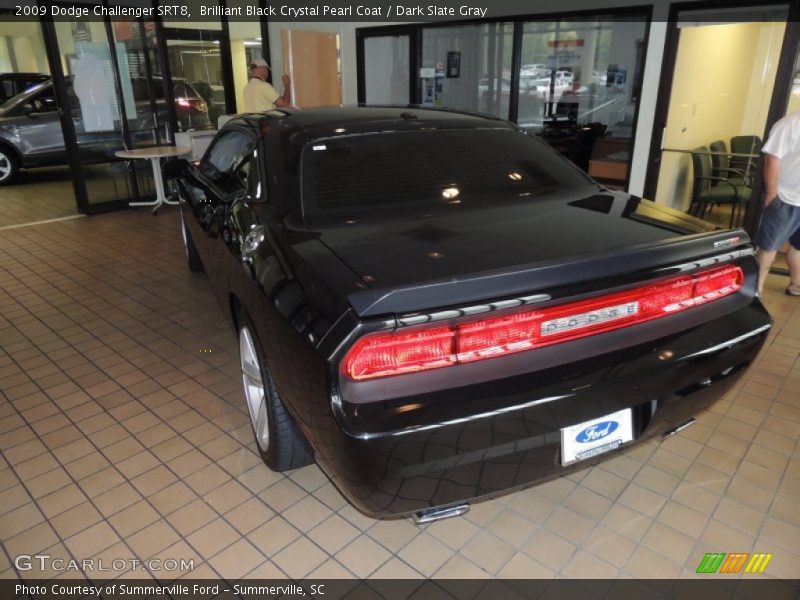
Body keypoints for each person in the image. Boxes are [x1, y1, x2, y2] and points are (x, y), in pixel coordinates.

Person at [755, 108, 800, 296]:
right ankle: (755, 292)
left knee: (798, 247)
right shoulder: (789, 124)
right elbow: (772, 157)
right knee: (768, 248)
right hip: (785, 198)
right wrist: (772, 193)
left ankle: (796, 283)